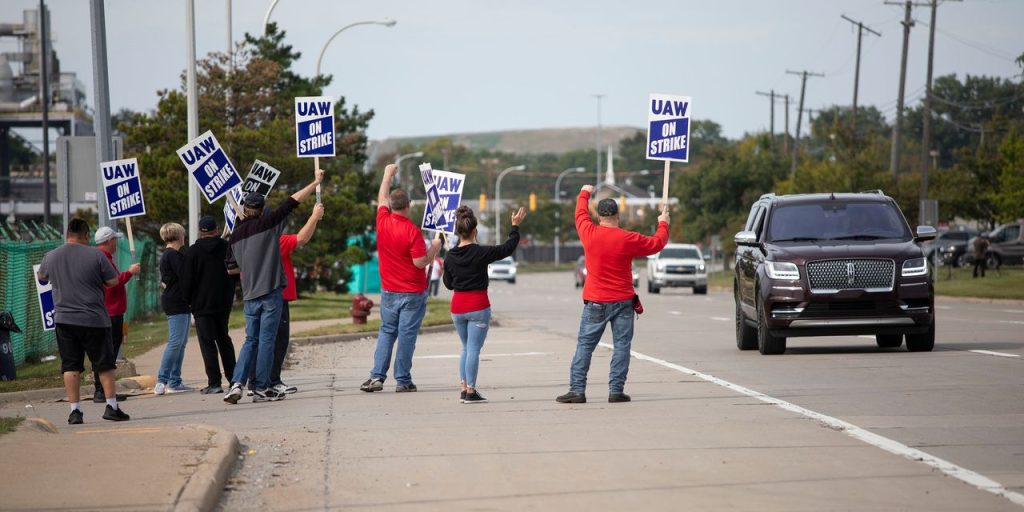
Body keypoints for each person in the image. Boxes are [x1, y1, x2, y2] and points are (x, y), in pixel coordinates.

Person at [556, 185, 669, 404]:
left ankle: (577, 391)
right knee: (622, 346)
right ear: (618, 216)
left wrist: (584, 192)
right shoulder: (627, 238)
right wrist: (663, 222)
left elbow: (579, 213)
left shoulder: (588, 233)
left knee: (585, 347)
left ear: (598, 216)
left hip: (596, 302)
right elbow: (657, 243)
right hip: (623, 302)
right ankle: (616, 391)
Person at [223, 169, 324, 404]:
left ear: (245, 208)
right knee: (267, 340)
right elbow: (292, 202)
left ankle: (237, 383)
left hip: (249, 294)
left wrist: (250, 264)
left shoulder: (235, 235)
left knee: (251, 340)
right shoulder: (268, 225)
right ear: (261, 210)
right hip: (270, 291)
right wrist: (315, 182)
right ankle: (262, 385)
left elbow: (230, 268)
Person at [360, 163, 444, 393]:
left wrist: (386, 174)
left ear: (390, 206)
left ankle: (376, 376)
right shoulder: (412, 231)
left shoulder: (382, 221)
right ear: (407, 206)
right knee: (406, 335)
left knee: (387, 331)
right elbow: (419, 262)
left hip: (388, 290)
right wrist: (435, 247)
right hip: (412, 291)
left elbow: (381, 197)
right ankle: (403, 379)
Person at [37, 218, 130, 423]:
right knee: (104, 365)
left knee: (71, 366)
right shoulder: (96, 255)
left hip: (64, 319)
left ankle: (75, 411)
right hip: (94, 319)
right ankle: (111, 407)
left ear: (67, 233)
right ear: (87, 235)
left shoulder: (51, 255)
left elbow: (42, 277)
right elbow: (112, 281)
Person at [442, 205, 526, 403]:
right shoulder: (481, 253)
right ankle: (470, 391)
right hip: (478, 306)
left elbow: (448, 284)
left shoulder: (450, 256)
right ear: (474, 231)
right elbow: (507, 248)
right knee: (473, 349)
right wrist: (515, 226)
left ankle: (463, 387)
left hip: (458, 308)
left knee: (465, 348)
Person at [245, 203, 325, 395]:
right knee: (277, 340)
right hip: (276, 296)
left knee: (255, 340)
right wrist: (314, 216)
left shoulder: (247, 240)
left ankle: (254, 381)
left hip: (253, 295)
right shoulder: (274, 241)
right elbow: (302, 238)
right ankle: (272, 380)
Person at [180, 215, 236, 395]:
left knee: (207, 343)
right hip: (223, 301)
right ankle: (234, 378)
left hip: (201, 304)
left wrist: (187, 300)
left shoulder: (192, 252)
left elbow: (187, 280)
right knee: (224, 339)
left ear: (199, 232)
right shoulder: (227, 247)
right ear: (217, 230)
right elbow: (234, 272)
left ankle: (214, 382)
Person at [92, 226, 140, 403]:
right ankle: (101, 390)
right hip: (110, 312)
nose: (117, 243)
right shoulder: (102, 259)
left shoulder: (105, 258)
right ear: (108, 241)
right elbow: (111, 283)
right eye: (115, 240)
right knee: (107, 353)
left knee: (108, 352)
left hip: (113, 311)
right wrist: (129, 273)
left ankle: (105, 389)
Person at [154, 223, 192, 395]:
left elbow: (166, 280)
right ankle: (162, 380)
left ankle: (175, 380)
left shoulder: (167, 255)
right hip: (176, 302)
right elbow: (186, 277)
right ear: (179, 236)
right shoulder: (174, 256)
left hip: (177, 300)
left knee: (181, 343)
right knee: (176, 342)